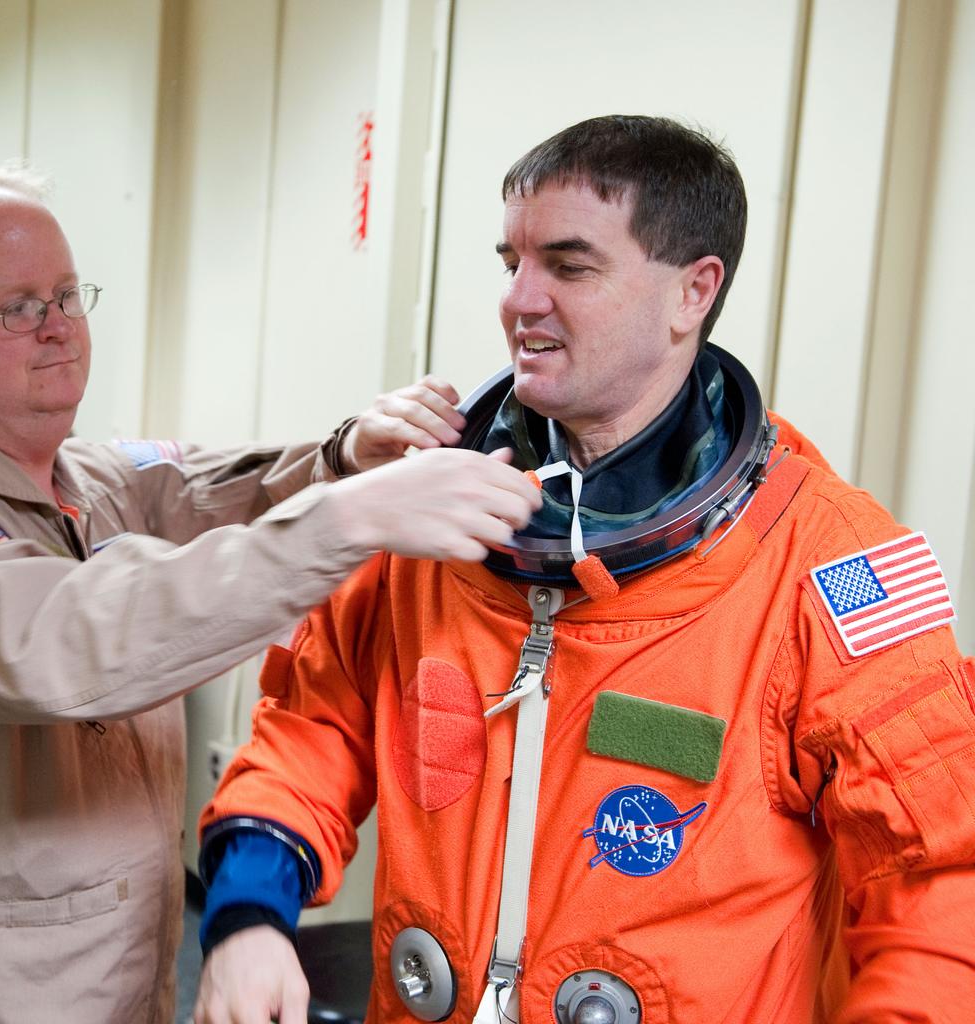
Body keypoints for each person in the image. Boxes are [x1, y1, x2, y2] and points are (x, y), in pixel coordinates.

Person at [195, 115, 975, 1024]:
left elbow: (940, 878)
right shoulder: (428, 509)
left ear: (693, 292)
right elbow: (311, 727)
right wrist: (247, 915)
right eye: (511, 262)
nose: (519, 301)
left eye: (568, 266)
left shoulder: (825, 561)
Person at [0, 162, 540, 1024]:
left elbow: (208, 487)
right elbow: (66, 641)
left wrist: (344, 456)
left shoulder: (85, 476)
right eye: (18, 308)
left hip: (122, 965)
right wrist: (349, 518)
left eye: (67, 296)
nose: (59, 328)